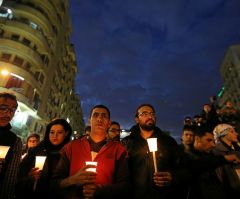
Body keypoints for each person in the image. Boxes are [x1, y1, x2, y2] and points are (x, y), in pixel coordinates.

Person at [52, 105, 130, 199]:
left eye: (104, 116)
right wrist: (73, 179)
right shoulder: (71, 147)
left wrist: (100, 190)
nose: (100, 119)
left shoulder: (119, 150)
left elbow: (125, 186)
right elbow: (54, 183)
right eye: (96, 115)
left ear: (109, 123)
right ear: (89, 121)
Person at [121, 103, 189, 199]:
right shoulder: (126, 143)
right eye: (144, 114)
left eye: (152, 114)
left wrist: (173, 177)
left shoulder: (168, 141)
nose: (150, 116)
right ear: (137, 119)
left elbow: (183, 168)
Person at [16, 118, 72, 199]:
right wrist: (29, 176)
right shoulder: (35, 151)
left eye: (59, 132)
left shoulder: (69, 153)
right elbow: (20, 173)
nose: (54, 136)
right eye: (52, 132)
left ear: (66, 133)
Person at [186, 126, 240, 199]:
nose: (213, 144)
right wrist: (224, 159)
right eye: (208, 140)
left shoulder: (209, 155)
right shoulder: (187, 158)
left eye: (213, 141)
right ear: (197, 139)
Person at [0, 92, 22, 199]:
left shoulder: (15, 141)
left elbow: (10, 178)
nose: (8, 114)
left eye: (12, 110)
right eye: (3, 107)